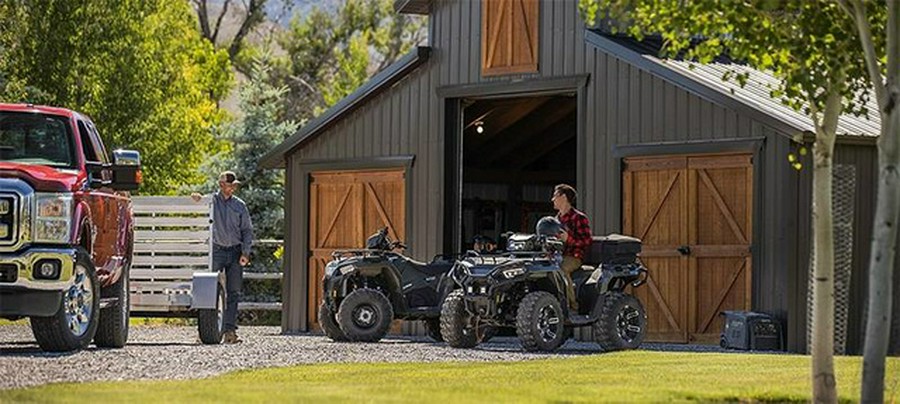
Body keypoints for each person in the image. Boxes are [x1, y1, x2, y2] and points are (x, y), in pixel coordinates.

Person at [192, 171, 254, 344]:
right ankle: (204, 332)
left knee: (233, 293)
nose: (232, 188)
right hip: (217, 251)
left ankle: (229, 332)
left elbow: (247, 230)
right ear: (221, 185)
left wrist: (245, 253)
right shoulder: (212, 201)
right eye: (229, 185)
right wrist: (197, 198)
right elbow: (200, 199)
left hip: (235, 252)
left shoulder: (239, 205)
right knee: (208, 291)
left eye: (234, 185)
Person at [551, 184, 592, 312]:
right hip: (556, 256)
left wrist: (569, 239)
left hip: (573, 257)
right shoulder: (554, 220)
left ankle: (571, 307)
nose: (552, 199)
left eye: (555, 196)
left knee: (561, 269)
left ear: (563, 197)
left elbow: (587, 241)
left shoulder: (579, 218)